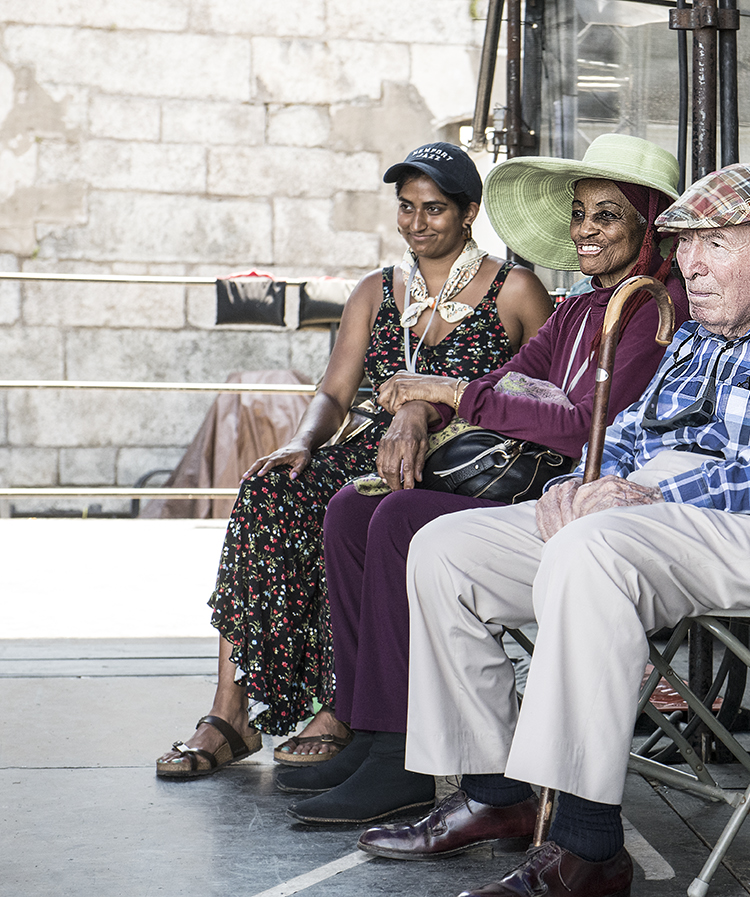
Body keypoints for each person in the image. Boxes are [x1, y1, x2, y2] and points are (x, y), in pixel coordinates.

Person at [352, 162, 750, 897]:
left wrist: (642, 493)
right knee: (448, 550)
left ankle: (588, 845)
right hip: (665, 515)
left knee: (595, 546)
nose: (690, 265)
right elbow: (627, 436)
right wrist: (579, 485)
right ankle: (494, 796)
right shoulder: (698, 338)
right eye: (687, 245)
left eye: (716, 246)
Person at [278, 134, 690, 824]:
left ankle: (403, 755)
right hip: (530, 477)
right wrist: (416, 406)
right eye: (580, 214)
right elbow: (495, 380)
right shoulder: (585, 306)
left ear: (650, 225)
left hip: (583, 496)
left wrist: (450, 392)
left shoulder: (651, 308)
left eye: (608, 215)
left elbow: (583, 431)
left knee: (399, 518)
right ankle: (373, 726)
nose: (585, 230)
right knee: (351, 508)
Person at [156, 144, 555, 777]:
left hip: (466, 465)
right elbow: (335, 391)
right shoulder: (377, 289)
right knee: (271, 492)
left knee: (366, 510)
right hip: (364, 453)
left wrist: (433, 410)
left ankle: (346, 704)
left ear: (469, 212)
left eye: (433, 209)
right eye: (405, 208)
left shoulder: (516, 288)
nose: (417, 223)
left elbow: (543, 393)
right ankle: (229, 710)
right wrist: (302, 442)